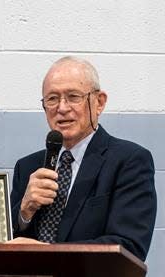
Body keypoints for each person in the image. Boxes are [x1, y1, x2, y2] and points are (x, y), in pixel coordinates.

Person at [9, 56, 156, 261]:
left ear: (99, 102)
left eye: (73, 96)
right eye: (52, 98)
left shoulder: (129, 161)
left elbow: (129, 247)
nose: (61, 108)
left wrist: (47, 253)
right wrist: (24, 212)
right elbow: (5, 243)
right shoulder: (27, 167)